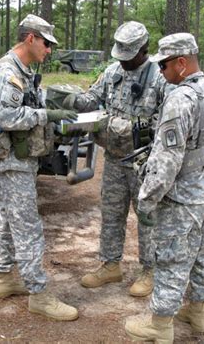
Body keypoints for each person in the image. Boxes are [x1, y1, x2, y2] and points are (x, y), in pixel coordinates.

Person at [124, 33, 204, 342]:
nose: (160, 72)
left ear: (181, 63)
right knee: (201, 252)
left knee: (172, 257)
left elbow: (167, 158)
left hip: (181, 197)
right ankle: (198, 313)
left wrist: (147, 199)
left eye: (163, 65)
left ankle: (160, 325)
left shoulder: (180, 98)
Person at [0, 14, 79, 321]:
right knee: (28, 226)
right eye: (46, 44)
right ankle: (38, 294)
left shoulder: (22, 70)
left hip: (17, 157)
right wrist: (45, 115)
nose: (48, 50)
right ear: (30, 39)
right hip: (11, 160)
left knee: (9, 218)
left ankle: (4, 278)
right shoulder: (7, 72)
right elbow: (5, 117)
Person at [63, 21, 168, 297]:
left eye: (129, 55)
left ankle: (150, 270)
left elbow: (167, 121)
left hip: (144, 162)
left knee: (147, 216)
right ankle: (111, 265)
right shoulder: (112, 72)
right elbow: (92, 98)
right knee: (111, 213)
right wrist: (71, 100)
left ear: (144, 49)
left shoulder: (160, 77)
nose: (123, 61)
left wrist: (125, 127)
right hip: (114, 159)